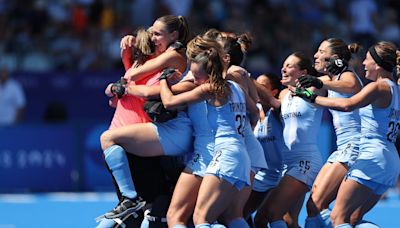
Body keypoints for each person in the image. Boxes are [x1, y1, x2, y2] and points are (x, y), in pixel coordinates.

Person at [96, 15, 190, 227]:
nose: (152, 39)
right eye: (151, 35)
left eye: (156, 34)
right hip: (129, 143)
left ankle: (130, 200)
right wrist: (118, 81)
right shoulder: (140, 64)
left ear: (173, 36)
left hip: (147, 141)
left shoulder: (171, 59)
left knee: (148, 209)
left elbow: (142, 87)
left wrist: (127, 81)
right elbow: (117, 92)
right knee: (136, 210)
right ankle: (130, 201)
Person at [295, 41, 400, 227]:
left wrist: (314, 97)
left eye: (367, 60)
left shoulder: (377, 86)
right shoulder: (394, 88)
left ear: (377, 64)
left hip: (371, 154)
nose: (364, 64)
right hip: (389, 159)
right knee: (352, 219)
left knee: (338, 217)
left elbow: (348, 104)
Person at [160, 35, 258, 228]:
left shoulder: (210, 88)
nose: (194, 81)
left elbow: (168, 102)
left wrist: (163, 79)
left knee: (201, 219)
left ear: (208, 73)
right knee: (223, 217)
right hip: (240, 154)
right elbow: (254, 112)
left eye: (196, 77)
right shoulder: (235, 87)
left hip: (225, 155)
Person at [296, 38, 364, 228]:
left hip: (354, 146)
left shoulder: (347, 76)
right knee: (313, 206)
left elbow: (351, 86)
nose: (315, 55)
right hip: (343, 147)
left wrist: (317, 82)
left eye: (320, 51)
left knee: (321, 207)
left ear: (334, 58)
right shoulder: (330, 79)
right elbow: (303, 86)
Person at [253, 52, 325, 228]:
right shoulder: (284, 94)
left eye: (290, 65)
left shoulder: (316, 89)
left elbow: (343, 84)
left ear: (303, 72)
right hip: (288, 165)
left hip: (305, 161)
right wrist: (243, 76)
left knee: (273, 214)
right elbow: (269, 99)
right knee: (269, 220)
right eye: (283, 65)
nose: (283, 69)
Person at [244, 73, 303, 228]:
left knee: (289, 221)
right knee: (241, 214)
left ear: (274, 92)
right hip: (263, 176)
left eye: (262, 86)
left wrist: (244, 76)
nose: (256, 88)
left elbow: (278, 102)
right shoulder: (253, 111)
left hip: (285, 174)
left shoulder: (279, 111)